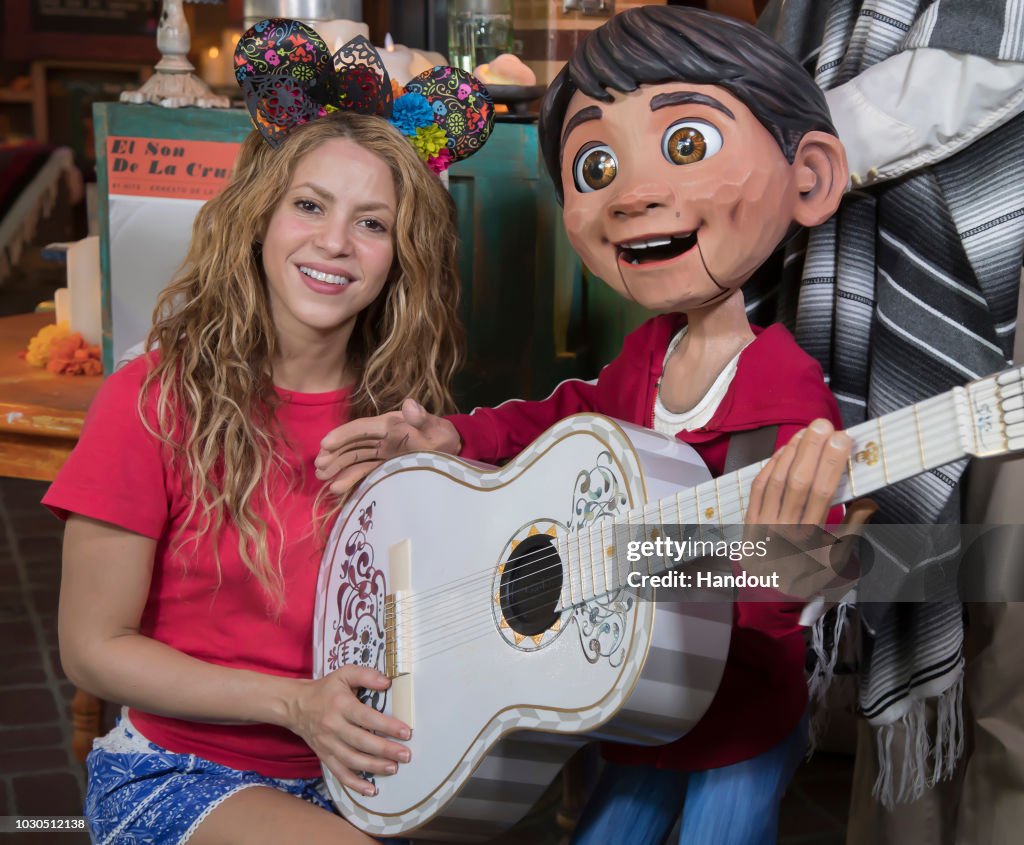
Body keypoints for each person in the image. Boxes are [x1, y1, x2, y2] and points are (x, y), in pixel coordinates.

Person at [316, 7, 857, 844]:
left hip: (741, 718)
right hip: (638, 705)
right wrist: (458, 438)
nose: (634, 195)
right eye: (596, 163)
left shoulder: (783, 390)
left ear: (811, 177)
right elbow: (571, 419)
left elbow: (789, 581)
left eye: (686, 146)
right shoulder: (649, 354)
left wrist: (784, 567)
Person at [42, 88, 473, 845]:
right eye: (310, 206)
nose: (335, 241)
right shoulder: (149, 401)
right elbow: (91, 648)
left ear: (401, 258)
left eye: (372, 223)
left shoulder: (401, 422)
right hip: (183, 770)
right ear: (260, 219)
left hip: (365, 774)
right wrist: (294, 702)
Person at [753, 3, 1024, 843]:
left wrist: (758, 151)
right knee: (905, 585)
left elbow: (979, 64)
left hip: (1010, 289)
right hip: (875, 312)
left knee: (1011, 632)